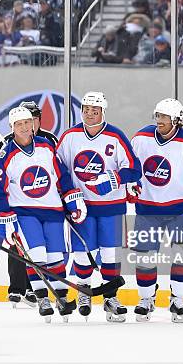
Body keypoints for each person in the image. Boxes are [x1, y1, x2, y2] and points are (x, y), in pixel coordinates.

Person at [0, 107, 87, 322]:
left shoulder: (47, 146)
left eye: (27, 123)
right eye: (19, 124)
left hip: (52, 211)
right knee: (38, 255)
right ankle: (42, 298)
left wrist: (71, 198)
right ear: (12, 128)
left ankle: (62, 298)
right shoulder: (6, 154)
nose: (24, 127)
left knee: (56, 258)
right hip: (25, 213)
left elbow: (62, 177)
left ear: (33, 124)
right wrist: (5, 215)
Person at [56, 92, 141, 322]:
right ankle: (84, 292)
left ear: (103, 112)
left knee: (111, 253)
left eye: (95, 111)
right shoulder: (70, 136)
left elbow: (135, 169)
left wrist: (114, 179)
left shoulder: (115, 136)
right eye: (86, 110)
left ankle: (110, 297)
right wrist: (69, 195)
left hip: (112, 207)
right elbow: (58, 168)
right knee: (83, 253)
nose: (90, 114)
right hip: (81, 207)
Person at [128, 98, 183, 323]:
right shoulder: (141, 138)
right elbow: (130, 167)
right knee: (145, 257)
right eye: (157, 116)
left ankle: (178, 298)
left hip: (181, 209)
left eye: (164, 117)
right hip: (147, 208)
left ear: (177, 120)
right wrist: (131, 183)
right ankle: (146, 298)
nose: (159, 121)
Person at [0, 101, 58, 307]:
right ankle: (19, 288)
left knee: (43, 246)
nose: (30, 124)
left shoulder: (49, 140)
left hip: (45, 203)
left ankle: (34, 287)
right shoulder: (7, 142)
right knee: (18, 243)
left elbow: (60, 168)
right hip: (18, 202)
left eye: (33, 119)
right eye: (24, 120)